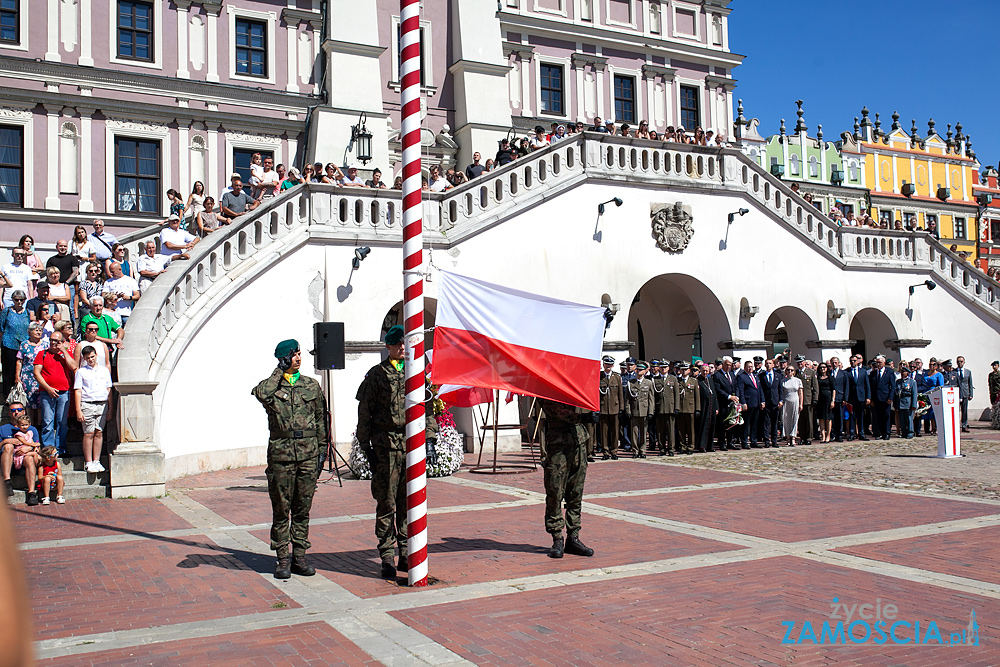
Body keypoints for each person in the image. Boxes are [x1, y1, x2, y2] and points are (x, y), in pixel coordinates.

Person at [355, 325, 438, 578]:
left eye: (404, 344)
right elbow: (364, 414)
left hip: (411, 444)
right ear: (388, 346)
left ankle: (405, 553)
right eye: (397, 344)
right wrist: (366, 445)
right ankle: (387, 557)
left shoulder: (416, 375)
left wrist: (431, 439)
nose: (402, 348)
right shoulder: (376, 375)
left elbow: (429, 407)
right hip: (386, 447)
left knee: (408, 502)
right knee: (387, 503)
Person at [251, 339, 326, 580]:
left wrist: (322, 451)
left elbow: (321, 420)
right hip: (281, 456)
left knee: (302, 509)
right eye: (293, 355)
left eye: (299, 354)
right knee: (282, 509)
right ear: (283, 358)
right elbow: (261, 394)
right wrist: (279, 371)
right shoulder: (272, 387)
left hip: (308, 454)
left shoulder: (311, 386)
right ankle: (282, 558)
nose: (298, 358)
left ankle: (300, 556)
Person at [536, 396, 594, 559]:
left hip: (578, 441)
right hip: (558, 446)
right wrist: (582, 415)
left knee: (576, 493)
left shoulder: (575, 384)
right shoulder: (547, 386)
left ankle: (573, 536)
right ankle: (557, 538)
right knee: (555, 492)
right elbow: (553, 409)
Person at [34, 330, 77, 455]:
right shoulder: (42, 354)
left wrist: (63, 350)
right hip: (46, 392)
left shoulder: (66, 354)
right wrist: (48, 388)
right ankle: (49, 449)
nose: (53, 343)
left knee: (62, 422)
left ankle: (60, 448)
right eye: (52, 340)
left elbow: (74, 366)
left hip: (64, 392)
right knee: (47, 421)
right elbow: (37, 373)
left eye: (56, 341)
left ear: (63, 342)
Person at [74, 344, 113, 472]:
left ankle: (97, 460)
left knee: (99, 432)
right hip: (87, 403)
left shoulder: (104, 370)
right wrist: (78, 410)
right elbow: (78, 390)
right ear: (84, 359)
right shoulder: (81, 372)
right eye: (88, 358)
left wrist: (110, 408)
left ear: (96, 356)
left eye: (92, 357)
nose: (91, 359)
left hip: (102, 404)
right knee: (88, 432)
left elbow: (109, 389)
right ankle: (89, 461)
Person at [2, 413, 40, 504]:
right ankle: (7, 482)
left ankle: (31, 492)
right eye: (13, 410)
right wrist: (5, 441)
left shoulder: (32, 431)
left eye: (19, 409)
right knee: (8, 446)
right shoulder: (4, 429)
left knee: (30, 458)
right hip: (12, 456)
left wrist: (31, 447)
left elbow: (36, 445)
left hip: (26, 457)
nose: (16, 412)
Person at [15, 322, 47, 423]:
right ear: (29, 332)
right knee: (29, 402)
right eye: (36, 330)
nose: (38, 332)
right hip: (28, 377)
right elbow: (19, 361)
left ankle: (40, 425)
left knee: (41, 402)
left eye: (40, 330)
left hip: (42, 376)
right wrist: (17, 375)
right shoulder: (24, 344)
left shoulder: (45, 344)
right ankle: (31, 425)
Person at [0, 290, 28, 398]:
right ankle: (7, 395)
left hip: (23, 345)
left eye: (21, 300)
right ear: (13, 300)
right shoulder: (6, 311)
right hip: (9, 344)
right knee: (9, 372)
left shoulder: (27, 312)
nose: (19, 302)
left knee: (22, 372)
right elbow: (1, 327)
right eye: (16, 300)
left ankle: (21, 396)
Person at [651, 359, 678, 455]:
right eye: (661, 367)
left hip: (670, 408)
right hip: (659, 408)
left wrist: (676, 407)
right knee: (660, 431)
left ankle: (671, 449)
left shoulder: (673, 379)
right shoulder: (655, 379)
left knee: (670, 431)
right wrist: (653, 409)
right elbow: (653, 395)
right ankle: (662, 449)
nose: (663, 369)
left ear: (668, 368)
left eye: (665, 367)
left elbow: (676, 395)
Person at [598, 355, 622, 460]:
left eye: (610, 364)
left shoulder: (617, 377)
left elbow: (620, 393)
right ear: (603, 365)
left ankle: (614, 451)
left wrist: (621, 408)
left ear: (612, 365)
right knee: (604, 432)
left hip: (614, 407)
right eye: (606, 364)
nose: (608, 366)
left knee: (615, 431)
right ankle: (605, 452)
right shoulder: (600, 376)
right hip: (603, 407)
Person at [713, 357, 740, 450]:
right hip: (723, 402)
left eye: (730, 365)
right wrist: (728, 396)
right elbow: (718, 389)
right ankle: (722, 443)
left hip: (732, 403)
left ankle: (730, 441)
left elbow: (736, 386)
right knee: (722, 424)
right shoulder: (717, 375)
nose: (729, 367)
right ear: (723, 364)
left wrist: (736, 396)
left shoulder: (732, 374)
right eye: (727, 365)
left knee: (731, 423)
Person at [736, 360, 763, 448]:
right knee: (746, 423)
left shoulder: (755, 376)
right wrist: (743, 402)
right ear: (745, 367)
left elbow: (759, 389)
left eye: (751, 366)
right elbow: (741, 391)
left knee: (754, 423)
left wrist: (762, 401)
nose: (750, 368)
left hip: (756, 402)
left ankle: (753, 441)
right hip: (748, 403)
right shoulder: (741, 377)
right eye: (748, 366)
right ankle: (744, 441)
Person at [870, 355, 896, 441]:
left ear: (884, 363)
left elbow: (892, 386)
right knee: (877, 416)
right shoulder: (873, 373)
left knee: (886, 416)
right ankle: (879, 432)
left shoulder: (889, 372)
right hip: (876, 398)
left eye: (880, 362)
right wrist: (871, 399)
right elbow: (871, 387)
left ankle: (887, 433)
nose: (878, 364)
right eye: (877, 362)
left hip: (885, 398)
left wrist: (890, 397)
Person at [845, 354, 871, 441]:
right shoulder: (847, 372)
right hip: (851, 398)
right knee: (852, 416)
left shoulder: (863, 371)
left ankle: (861, 433)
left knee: (861, 416)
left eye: (854, 361)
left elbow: (867, 385)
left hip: (861, 397)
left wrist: (868, 397)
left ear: (857, 361)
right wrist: (846, 398)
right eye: (851, 361)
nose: (853, 362)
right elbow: (846, 386)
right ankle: (852, 433)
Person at [677, 362, 700, 453]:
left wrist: (697, 408)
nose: (683, 371)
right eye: (682, 369)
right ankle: (683, 446)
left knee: (690, 429)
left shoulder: (693, 381)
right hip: (680, 408)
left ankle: (690, 447)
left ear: (689, 370)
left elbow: (697, 396)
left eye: (685, 369)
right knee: (681, 429)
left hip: (690, 408)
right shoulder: (678, 381)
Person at [696, 362, 718, 452]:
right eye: (703, 371)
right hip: (703, 407)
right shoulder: (698, 380)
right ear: (700, 371)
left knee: (712, 426)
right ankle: (702, 446)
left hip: (711, 407)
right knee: (703, 426)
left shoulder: (710, 381)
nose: (705, 372)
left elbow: (715, 395)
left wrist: (716, 407)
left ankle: (710, 445)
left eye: (706, 371)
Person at [75, 262, 103, 330]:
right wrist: (93, 307)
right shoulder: (84, 283)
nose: (93, 273)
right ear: (87, 272)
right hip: (87, 309)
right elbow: (84, 299)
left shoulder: (99, 284)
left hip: (98, 309)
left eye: (95, 271)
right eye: (91, 271)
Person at [797, 356, 818, 444]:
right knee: (801, 420)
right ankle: (802, 437)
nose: (800, 364)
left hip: (807, 399)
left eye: (801, 362)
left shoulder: (810, 372)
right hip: (798, 400)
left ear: (804, 362)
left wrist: (815, 398)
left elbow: (815, 386)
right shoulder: (796, 373)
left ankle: (809, 438)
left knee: (809, 420)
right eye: (798, 363)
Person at [780, 366, 803, 445]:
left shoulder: (797, 381)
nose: (790, 371)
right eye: (788, 370)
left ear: (794, 372)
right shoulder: (783, 381)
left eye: (791, 370)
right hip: (786, 401)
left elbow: (800, 393)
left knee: (794, 419)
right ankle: (787, 438)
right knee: (786, 419)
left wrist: (801, 404)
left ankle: (793, 438)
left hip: (795, 401)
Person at [815, 362, 836, 443]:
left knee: (828, 418)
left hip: (828, 398)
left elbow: (833, 390)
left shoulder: (830, 378)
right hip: (820, 399)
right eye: (821, 367)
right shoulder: (817, 378)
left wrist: (833, 400)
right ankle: (823, 436)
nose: (822, 369)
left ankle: (828, 435)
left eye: (824, 367)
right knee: (821, 419)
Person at [895, 366, 918, 439]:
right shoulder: (898, 381)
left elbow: (914, 394)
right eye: (901, 372)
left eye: (903, 372)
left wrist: (914, 404)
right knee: (902, 419)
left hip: (908, 402)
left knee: (909, 418)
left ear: (907, 373)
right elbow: (896, 392)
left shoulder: (912, 382)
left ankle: (910, 432)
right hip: (900, 402)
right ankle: (903, 432)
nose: (902, 373)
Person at [953, 356, 973, 432]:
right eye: (958, 361)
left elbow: (970, 383)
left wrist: (971, 394)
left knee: (964, 410)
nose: (959, 363)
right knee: (955, 410)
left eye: (961, 361)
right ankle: (955, 425)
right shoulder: (953, 372)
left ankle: (964, 425)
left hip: (965, 393)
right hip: (956, 393)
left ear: (964, 362)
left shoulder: (968, 372)